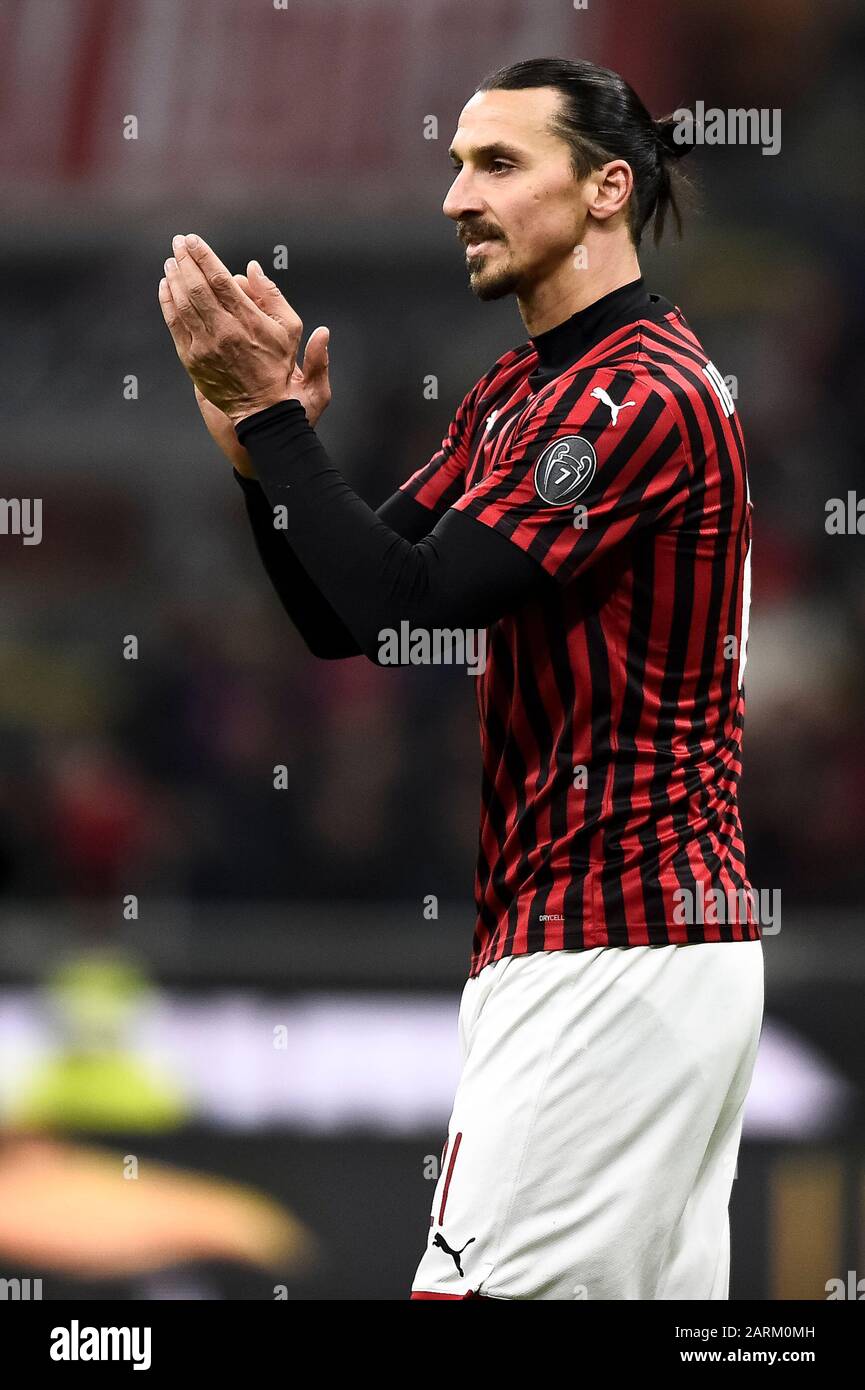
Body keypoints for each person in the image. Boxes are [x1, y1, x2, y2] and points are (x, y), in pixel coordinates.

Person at [158, 57, 763, 1301]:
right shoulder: (520, 390)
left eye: (496, 163)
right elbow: (346, 614)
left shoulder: (634, 395)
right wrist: (260, 457)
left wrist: (282, 430)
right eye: (454, 165)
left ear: (606, 189)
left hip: (612, 943)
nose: (455, 197)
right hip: (613, 949)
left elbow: (413, 600)